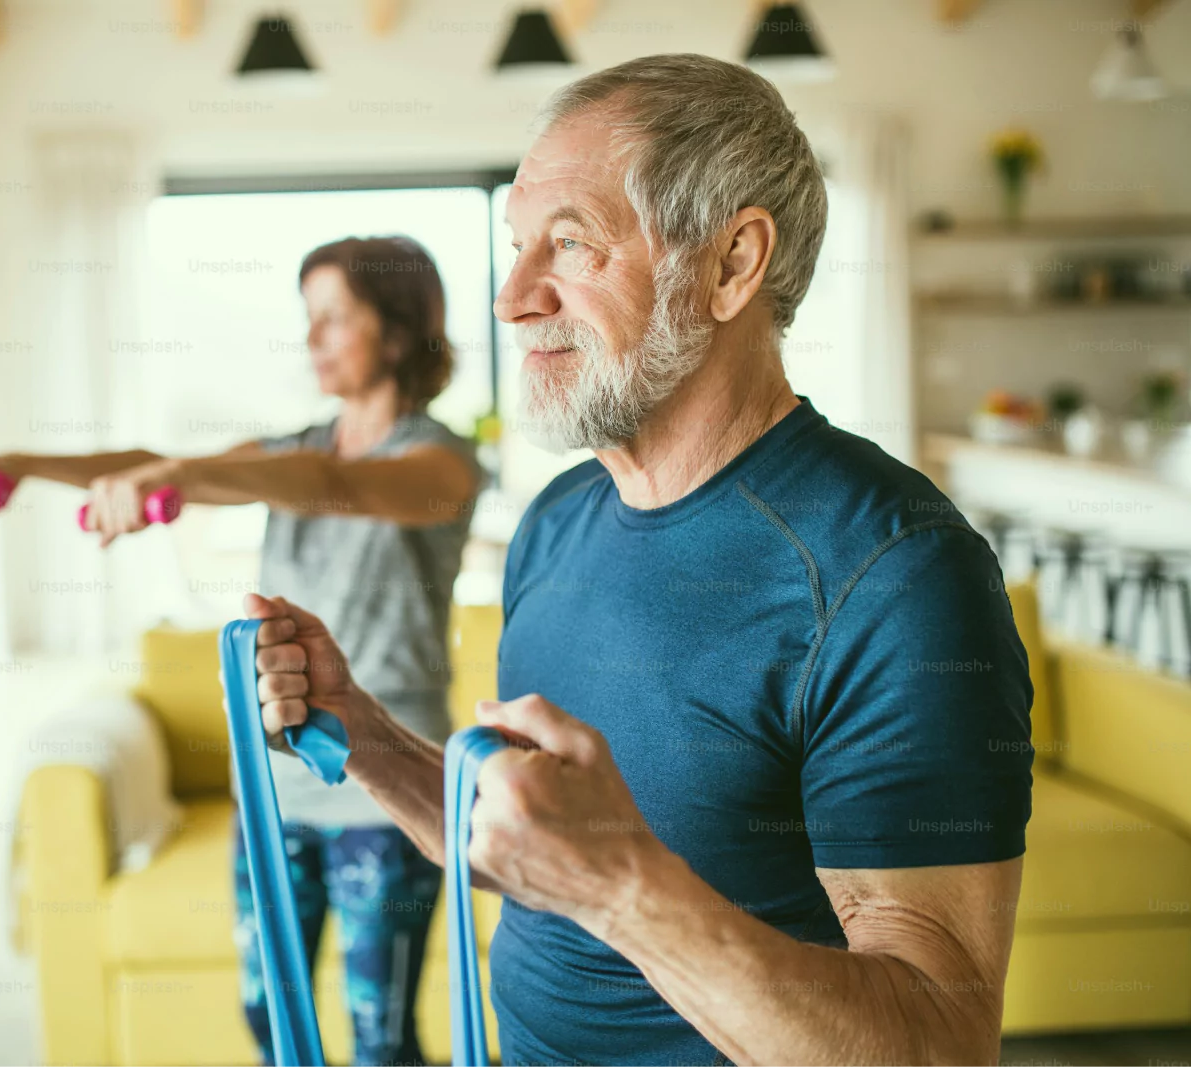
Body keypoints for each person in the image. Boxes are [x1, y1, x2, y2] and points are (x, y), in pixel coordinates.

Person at [244, 54, 1034, 1067]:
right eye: (516, 245)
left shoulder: (895, 575)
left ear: (730, 264)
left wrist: (625, 886)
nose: (512, 298)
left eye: (569, 243)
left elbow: (938, 1042)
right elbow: (535, 855)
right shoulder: (558, 519)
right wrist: (367, 737)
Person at [0, 235, 480, 1067]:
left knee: (382, 1038)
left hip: (389, 793)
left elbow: (331, 485)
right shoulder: (289, 450)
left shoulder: (439, 459)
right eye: (309, 320)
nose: (314, 340)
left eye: (335, 318)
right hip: (272, 787)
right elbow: (160, 463)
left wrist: (183, 482)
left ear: (400, 332)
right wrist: (27, 464)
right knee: (269, 1024)